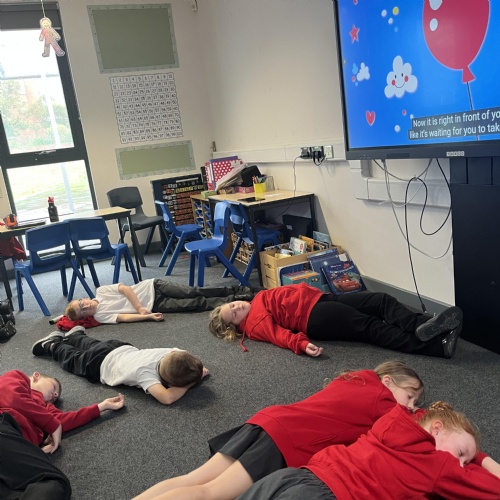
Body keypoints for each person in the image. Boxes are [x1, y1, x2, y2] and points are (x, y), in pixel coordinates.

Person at [133, 360, 424, 500]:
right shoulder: (383, 400)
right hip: (284, 442)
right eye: (410, 396)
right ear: (388, 381)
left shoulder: (355, 379)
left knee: (194, 479)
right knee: (211, 493)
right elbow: (410, 427)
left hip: (268, 422)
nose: (410, 406)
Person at [238, 402, 500, 500]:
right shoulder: (437, 464)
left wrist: (469, 451)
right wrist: (483, 460)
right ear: (437, 429)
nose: (462, 464)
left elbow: (423, 415)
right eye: (462, 454)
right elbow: (492, 489)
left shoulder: (392, 421)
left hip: (296, 476)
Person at [209, 282, 463, 358]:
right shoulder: (254, 324)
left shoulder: (255, 299)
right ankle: (436, 346)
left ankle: (422, 325)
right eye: (234, 314)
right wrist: (301, 344)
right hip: (314, 317)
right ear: (236, 326)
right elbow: (279, 336)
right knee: (370, 327)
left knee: (380, 300)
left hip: (323, 298)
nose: (237, 307)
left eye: (232, 305)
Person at [0, 369, 124, 499]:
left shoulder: (46, 408)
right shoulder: (18, 377)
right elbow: (12, 397)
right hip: (5, 427)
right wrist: (52, 424)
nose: (55, 394)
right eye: (54, 387)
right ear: (36, 376)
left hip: (12, 451)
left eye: (56, 397)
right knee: (51, 485)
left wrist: (101, 407)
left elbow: (65, 420)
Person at [32, 326, 208, 405]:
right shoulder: (145, 374)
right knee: (73, 359)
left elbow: (184, 353)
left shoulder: (171, 352)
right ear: (168, 383)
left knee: (92, 344)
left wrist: (195, 370)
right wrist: (190, 382)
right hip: (99, 365)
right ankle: (52, 345)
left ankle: (76, 336)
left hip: (118, 346)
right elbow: (167, 398)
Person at [65, 278, 257, 324]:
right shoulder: (100, 317)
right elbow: (123, 317)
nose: (86, 307)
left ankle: (235, 290)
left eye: (82, 304)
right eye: (83, 311)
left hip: (153, 287)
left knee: (192, 291)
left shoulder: (101, 291)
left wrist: (139, 307)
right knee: (194, 304)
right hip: (155, 305)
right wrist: (147, 316)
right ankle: (233, 299)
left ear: (84, 299)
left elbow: (125, 289)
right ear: (85, 317)